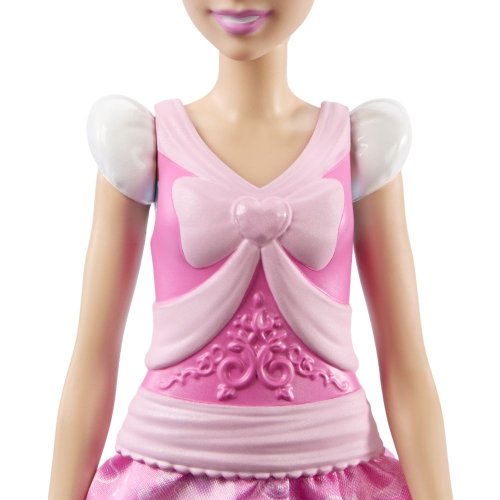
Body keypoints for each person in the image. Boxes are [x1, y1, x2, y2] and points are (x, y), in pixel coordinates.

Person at [48, 1, 453, 499]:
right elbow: (92, 357)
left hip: (332, 470)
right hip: (169, 472)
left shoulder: (360, 149)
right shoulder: (142, 146)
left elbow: (407, 363)